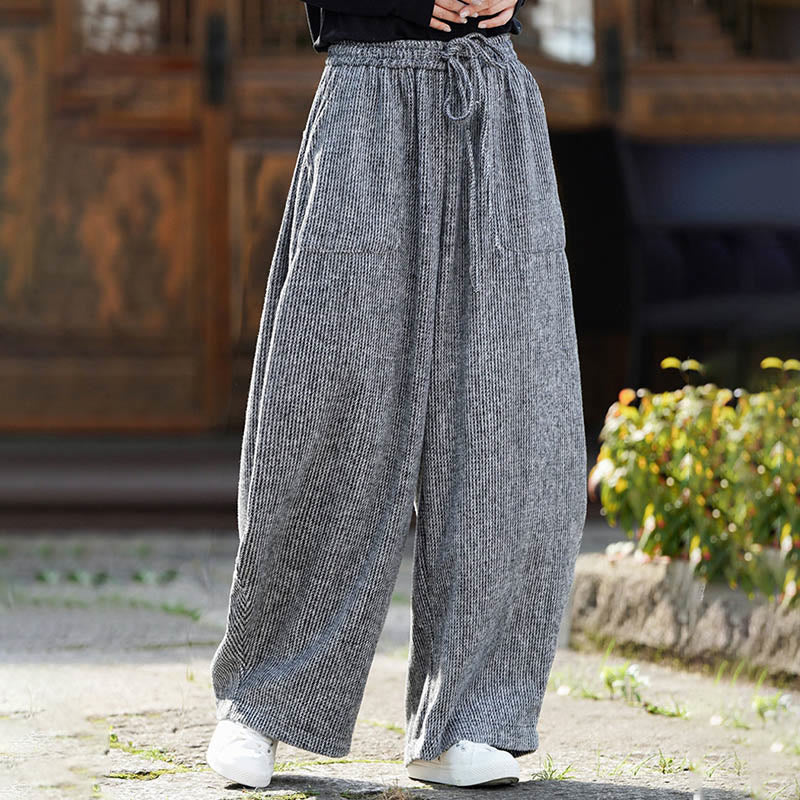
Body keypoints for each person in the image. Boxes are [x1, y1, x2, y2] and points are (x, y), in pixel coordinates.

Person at [206, 0, 587, 789]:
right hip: (368, 88)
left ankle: (467, 719)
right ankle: (260, 704)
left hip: (492, 93)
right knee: (328, 397)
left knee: (505, 412)